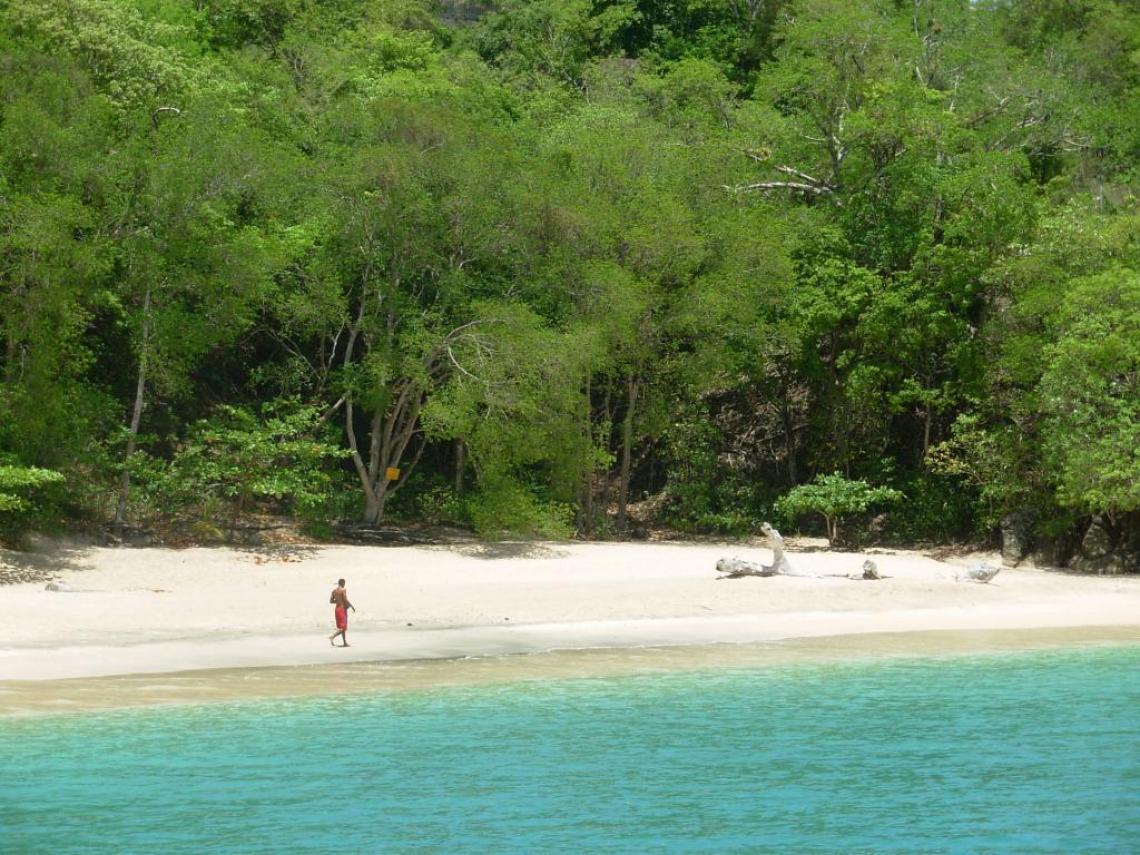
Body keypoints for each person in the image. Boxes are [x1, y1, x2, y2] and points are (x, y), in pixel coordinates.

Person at [328, 578, 355, 647]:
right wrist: (351, 606)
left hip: (337, 609)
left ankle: (344, 642)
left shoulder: (334, 591)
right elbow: (345, 599)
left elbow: (331, 601)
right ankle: (332, 637)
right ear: (342, 583)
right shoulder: (343, 590)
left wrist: (338, 601)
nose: (344, 585)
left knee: (342, 627)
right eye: (344, 583)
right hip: (342, 609)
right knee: (343, 628)